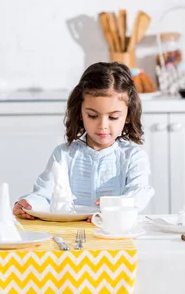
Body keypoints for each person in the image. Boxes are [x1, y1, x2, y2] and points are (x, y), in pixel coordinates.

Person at [13, 62, 154, 219]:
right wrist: (29, 204)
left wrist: (115, 205)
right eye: (93, 116)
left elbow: (139, 193)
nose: (103, 125)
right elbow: (44, 195)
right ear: (80, 112)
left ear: (128, 115)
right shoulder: (64, 154)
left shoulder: (133, 157)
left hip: (113, 233)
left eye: (113, 117)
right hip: (71, 235)